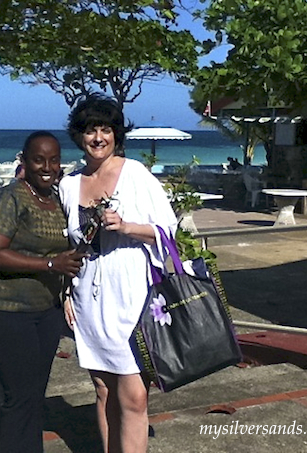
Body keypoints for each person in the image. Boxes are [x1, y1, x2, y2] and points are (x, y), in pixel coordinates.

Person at [59, 94, 179, 453]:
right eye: (90, 130)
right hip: (88, 300)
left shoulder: (135, 174)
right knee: (102, 389)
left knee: (134, 396)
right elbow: (70, 246)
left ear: (116, 134)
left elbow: (168, 231)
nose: (98, 138)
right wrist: (66, 291)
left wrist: (126, 226)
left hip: (131, 296)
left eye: (105, 129)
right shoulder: (69, 185)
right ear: (79, 136)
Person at [0, 131, 85, 452]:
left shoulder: (56, 201)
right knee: (20, 395)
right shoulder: (11, 197)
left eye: (54, 160)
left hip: (45, 311)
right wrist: (51, 265)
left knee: (35, 394)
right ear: (24, 161)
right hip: (7, 311)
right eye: (39, 159)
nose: (47, 167)